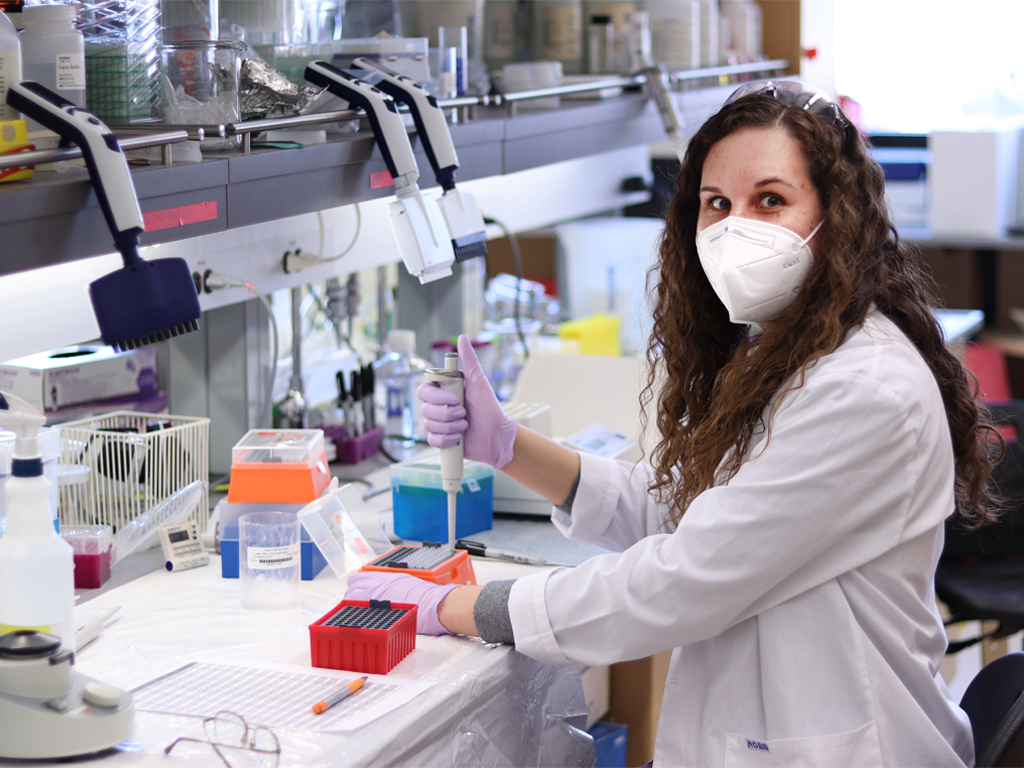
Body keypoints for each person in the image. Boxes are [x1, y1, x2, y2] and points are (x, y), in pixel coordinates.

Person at [345, 81, 1001, 767]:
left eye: (769, 200)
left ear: (837, 219)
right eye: (717, 204)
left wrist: (462, 607)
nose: (734, 227)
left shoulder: (861, 390)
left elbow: (686, 578)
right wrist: (509, 447)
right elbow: (700, 518)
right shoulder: (788, 352)